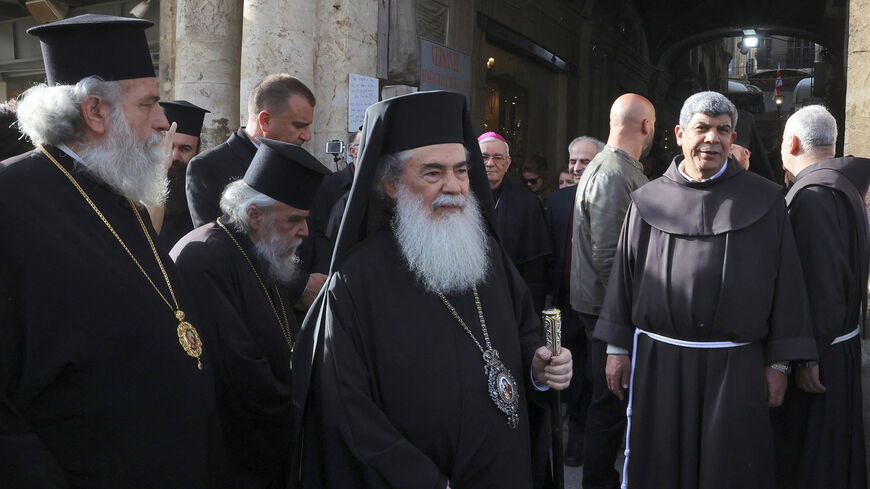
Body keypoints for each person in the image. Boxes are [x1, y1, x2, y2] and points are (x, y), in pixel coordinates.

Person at [291, 91, 573, 489]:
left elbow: (523, 331)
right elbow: (345, 408)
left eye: (461, 170)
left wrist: (538, 365)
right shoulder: (357, 282)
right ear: (391, 185)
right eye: (433, 173)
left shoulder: (487, 254)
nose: (454, 186)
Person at [0, 14, 218, 488]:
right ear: (96, 112)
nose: (163, 121)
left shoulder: (121, 196)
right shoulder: (9, 203)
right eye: (149, 104)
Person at [595, 91, 816, 489]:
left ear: (733, 140)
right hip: (660, 365)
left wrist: (780, 364)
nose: (712, 138)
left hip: (737, 368)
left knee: (730, 469)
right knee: (662, 466)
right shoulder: (646, 201)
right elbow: (624, 279)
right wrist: (616, 349)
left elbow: (788, 286)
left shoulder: (766, 201)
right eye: (702, 128)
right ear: (680, 134)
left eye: (722, 130)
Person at [172, 139, 330, 489]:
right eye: (295, 220)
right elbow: (240, 376)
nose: (304, 231)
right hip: (233, 458)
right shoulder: (206, 257)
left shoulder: (259, 249)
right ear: (254, 214)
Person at [772, 105, 869, 489]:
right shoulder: (844, 186)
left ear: (791, 142)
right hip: (836, 346)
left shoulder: (813, 195)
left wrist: (805, 357)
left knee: (814, 460)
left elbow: (820, 285)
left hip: (820, 353)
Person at [569, 94, 654, 489]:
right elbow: (608, 256)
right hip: (608, 312)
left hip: (610, 309)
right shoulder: (611, 172)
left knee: (613, 403)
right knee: (609, 404)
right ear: (647, 127)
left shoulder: (619, 168)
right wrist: (629, 314)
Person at [546, 135, 602, 467]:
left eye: (585, 161)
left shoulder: (615, 199)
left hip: (598, 308)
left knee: (594, 378)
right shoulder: (556, 202)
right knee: (564, 374)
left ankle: (581, 441)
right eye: (573, 161)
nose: (577, 167)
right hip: (564, 307)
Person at [478, 131, 551, 312]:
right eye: (484, 157)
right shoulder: (459, 197)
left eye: (497, 157)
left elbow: (535, 267)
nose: (490, 163)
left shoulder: (528, 203)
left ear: (507, 163)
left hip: (510, 297)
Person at [156, 99, 210, 250]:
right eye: (169, 146)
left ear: (198, 152)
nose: (173, 157)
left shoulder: (205, 200)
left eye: (185, 149)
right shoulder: (136, 192)